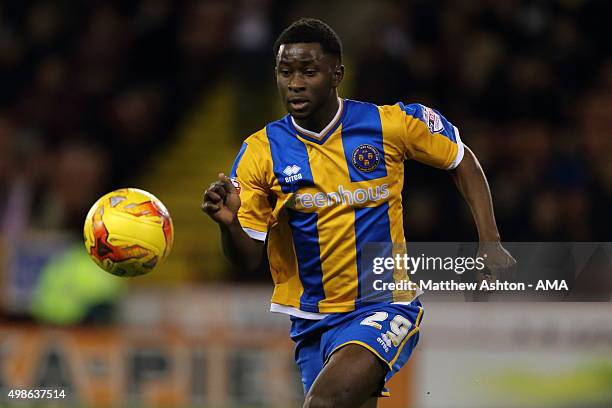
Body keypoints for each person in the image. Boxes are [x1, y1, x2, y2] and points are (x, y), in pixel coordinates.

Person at [202, 18, 515, 408]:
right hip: (312, 321)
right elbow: (247, 256)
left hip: (384, 303)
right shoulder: (259, 153)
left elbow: (459, 158)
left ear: (337, 74)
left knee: (323, 404)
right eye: (285, 72)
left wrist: (490, 240)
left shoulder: (389, 125)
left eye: (308, 71)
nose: (295, 83)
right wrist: (228, 226)